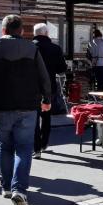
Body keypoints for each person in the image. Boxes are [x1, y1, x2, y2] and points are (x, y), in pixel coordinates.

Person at [0, 15, 51, 205]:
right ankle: (19, 189)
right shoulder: (32, 49)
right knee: (24, 148)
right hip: (27, 106)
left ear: (3, 30)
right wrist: (46, 99)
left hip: (0, 106)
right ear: (21, 31)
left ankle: (7, 187)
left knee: (5, 146)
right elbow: (44, 77)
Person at [32, 23, 68, 159]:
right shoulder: (55, 48)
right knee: (46, 117)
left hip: (32, 88)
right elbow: (61, 69)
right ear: (46, 33)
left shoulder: (30, 47)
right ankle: (44, 143)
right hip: (49, 87)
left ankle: (36, 148)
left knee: (33, 118)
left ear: (35, 33)